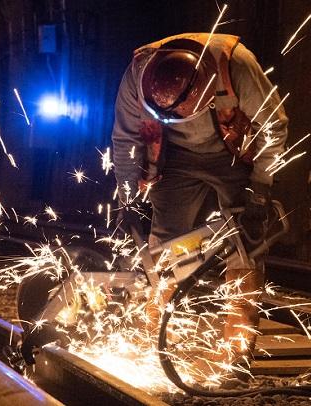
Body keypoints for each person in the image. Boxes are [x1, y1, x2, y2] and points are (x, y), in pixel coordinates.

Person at [111, 33, 288, 372]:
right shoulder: (138, 74)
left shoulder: (237, 65)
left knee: (245, 243)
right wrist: (128, 200)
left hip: (233, 154)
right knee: (165, 244)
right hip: (172, 157)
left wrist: (260, 189)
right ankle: (155, 339)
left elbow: (273, 128)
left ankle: (236, 349)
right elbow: (126, 139)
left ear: (204, 91)